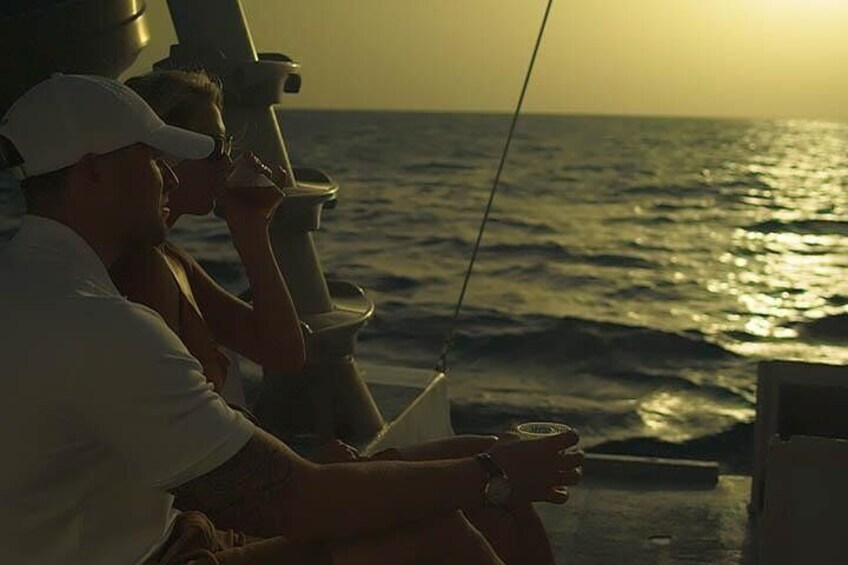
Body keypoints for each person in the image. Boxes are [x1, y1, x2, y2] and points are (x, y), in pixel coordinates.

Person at [0, 73, 583, 564]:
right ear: (93, 172)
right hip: (171, 547)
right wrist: (493, 472)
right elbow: (295, 501)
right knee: (437, 533)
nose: (171, 176)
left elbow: (281, 360)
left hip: (171, 531)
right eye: (154, 159)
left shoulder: (39, 286)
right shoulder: (102, 324)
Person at [110, 70, 304, 395]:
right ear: (160, 150)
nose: (226, 163)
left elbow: (283, 352)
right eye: (212, 147)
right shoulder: (139, 270)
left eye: (226, 146)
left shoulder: (170, 260)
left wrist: (251, 229)